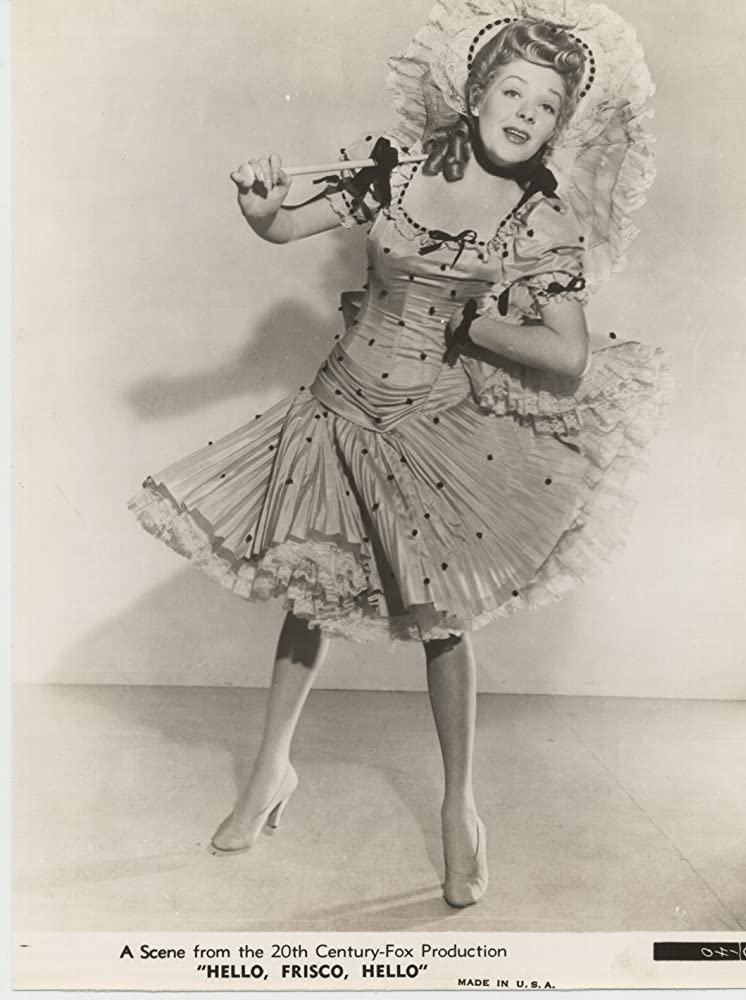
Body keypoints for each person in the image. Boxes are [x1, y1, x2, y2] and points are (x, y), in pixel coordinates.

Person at [129, 0, 671, 908]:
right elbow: (283, 226)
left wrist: (479, 327)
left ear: (558, 125)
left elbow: (570, 357)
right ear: (475, 90)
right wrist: (258, 207)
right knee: (310, 589)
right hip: (337, 407)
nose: (525, 113)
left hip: (431, 428)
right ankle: (270, 772)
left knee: (442, 619)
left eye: (546, 105)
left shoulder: (538, 220)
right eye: (513, 91)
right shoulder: (395, 168)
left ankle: (460, 808)